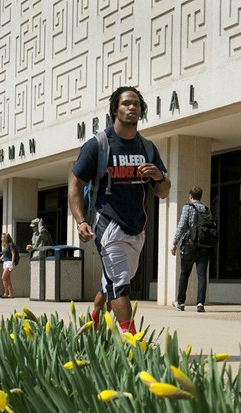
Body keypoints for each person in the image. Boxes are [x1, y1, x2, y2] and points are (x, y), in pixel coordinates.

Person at [68, 86, 170, 334]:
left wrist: (158, 176)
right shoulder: (98, 145)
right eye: (126, 103)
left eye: (135, 104)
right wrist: (81, 221)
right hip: (108, 223)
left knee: (114, 280)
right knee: (120, 283)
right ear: (116, 109)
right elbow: (74, 184)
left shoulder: (147, 148)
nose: (131, 107)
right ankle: (131, 340)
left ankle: (95, 318)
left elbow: (163, 190)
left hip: (137, 227)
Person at [170, 186, 212, 312]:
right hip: (204, 246)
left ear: (190, 196)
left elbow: (182, 226)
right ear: (200, 196)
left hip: (189, 244)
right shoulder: (206, 209)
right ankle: (200, 303)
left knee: (184, 273)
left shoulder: (187, 208)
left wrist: (174, 243)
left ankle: (181, 302)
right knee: (202, 275)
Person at [0, 233, 18, 298]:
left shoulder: (11, 244)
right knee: (7, 279)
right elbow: (3, 255)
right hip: (5, 262)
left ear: (6, 238)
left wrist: (12, 264)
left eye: (4, 237)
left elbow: (13, 254)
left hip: (9, 262)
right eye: (2, 237)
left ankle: (6, 293)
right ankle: (11, 294)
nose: (2, 238)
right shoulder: (4, 245)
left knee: (3, 278)